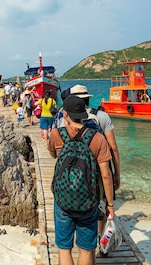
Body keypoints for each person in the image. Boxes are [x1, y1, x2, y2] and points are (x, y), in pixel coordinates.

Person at [47, 95, 115, 265]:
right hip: (88, 202)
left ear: (65, 115)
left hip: (63, 200)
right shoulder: (97, 138)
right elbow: (106, 176)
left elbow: (54, 154)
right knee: (86, 249)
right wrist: (110, 205)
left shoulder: (56, 134)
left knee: (64, 249)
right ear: (84, 114)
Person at [55, 84, 121, 244]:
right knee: (101, 204)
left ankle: (78, 233)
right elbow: (113, 147)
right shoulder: (102, 116)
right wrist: (116, 173)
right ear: (88, 98)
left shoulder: (66, 120)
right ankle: (101, 237)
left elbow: (59, 151)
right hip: (100, 168)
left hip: (76, 173)